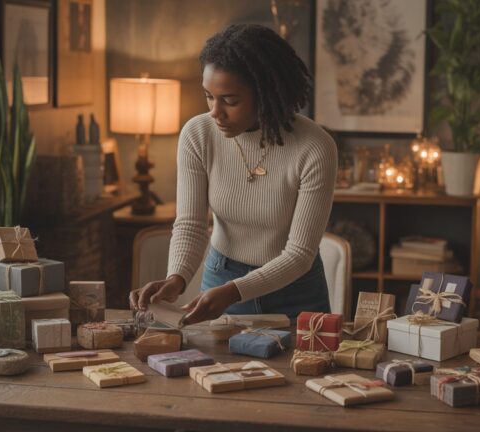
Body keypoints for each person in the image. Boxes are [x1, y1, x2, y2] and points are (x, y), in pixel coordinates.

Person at [129, 24, 337, 326]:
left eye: (230, 100)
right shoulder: (198, 135)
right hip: (221, 277)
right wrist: (176, 278)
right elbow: (190, 224)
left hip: (297, 291)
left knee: (307, 372)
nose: (216, 112)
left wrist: (234, 292)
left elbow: (299, 254)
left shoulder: (315, 147)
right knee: (214, 372)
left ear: (264, 95)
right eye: (209, 97)